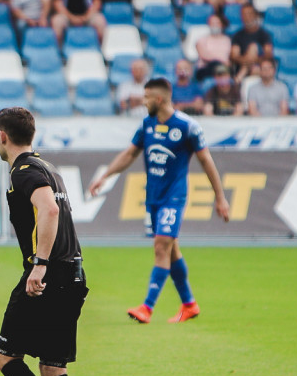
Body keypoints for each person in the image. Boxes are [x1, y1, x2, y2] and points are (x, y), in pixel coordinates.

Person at [0, 106, 88, 376]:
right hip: (73, 272)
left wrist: (40, 264)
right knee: (52, 367)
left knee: (6, 357)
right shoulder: (50, 169)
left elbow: (48, 211)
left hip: (49, 276)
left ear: (2, 136)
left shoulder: (25, 171)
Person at [89, 78, 230, 324]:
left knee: (161, 245)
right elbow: (130, 153)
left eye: (145, 98)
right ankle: (189, 304)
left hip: (174, 196)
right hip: (153, 197)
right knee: (171, 249)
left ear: (159, 99)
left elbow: (206, 161)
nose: (142, 103)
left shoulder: (187, 127)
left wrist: (220, 197)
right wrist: (105, 176)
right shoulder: (147, 124)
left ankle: (147, 307)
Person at [230, 3, 272, 80]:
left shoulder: (264, 34)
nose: (247, 17)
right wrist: (247, 61)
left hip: (259, 68)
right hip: (243, 66)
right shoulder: (237, 35)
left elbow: (268, 55)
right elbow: (234, 56)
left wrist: (254, 60)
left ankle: (238, 79)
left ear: (255, 15)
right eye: (244, 14)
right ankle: (241, 75)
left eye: (249, 14)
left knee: (253, 47)